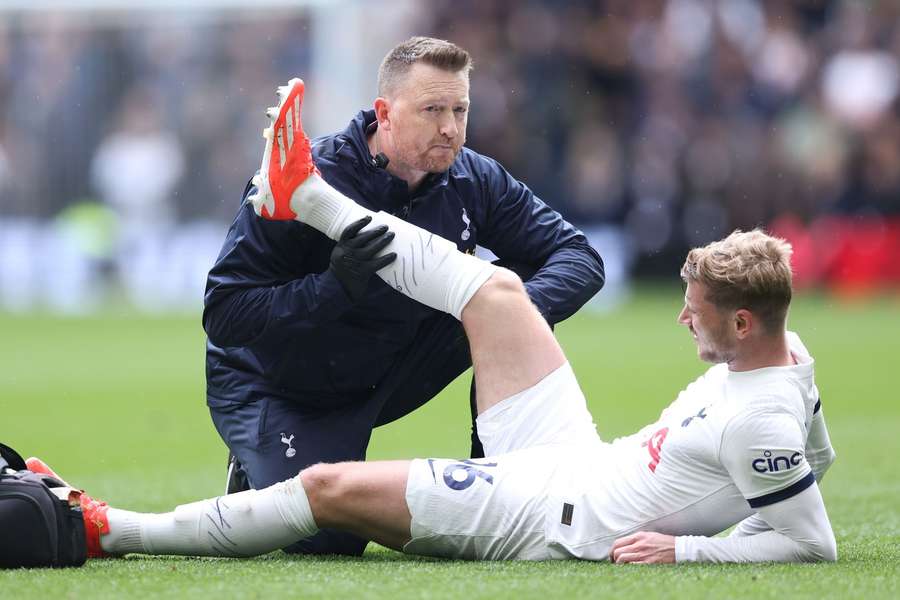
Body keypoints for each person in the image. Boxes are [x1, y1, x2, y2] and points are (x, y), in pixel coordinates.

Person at [28, 80, 836, 563]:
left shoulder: (758, 415)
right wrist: (733, 497)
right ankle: (304, 195)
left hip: (556, 517)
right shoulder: (783, 357)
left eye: (692, 315)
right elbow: (815, 453)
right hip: (577, 457)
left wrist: (684, 545)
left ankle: (115, 528)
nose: (680, 324)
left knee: (325, 495)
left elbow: (809, 542)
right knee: (494, 292)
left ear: (738, 323)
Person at [202, 36, 604, 556]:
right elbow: (225, 313)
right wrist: (331, 288)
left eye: (460, 109)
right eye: (432, 110)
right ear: (385, 114)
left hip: (388, 364)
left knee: (516, 283)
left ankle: (498, 474)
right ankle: (254, 468)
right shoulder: (305, 180)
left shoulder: (472, 176)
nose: (450, 128)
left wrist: (506, 316)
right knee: (327, 540)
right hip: (279, 382)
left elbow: (579, 256)